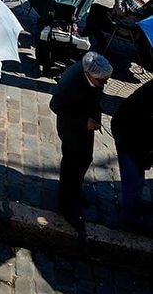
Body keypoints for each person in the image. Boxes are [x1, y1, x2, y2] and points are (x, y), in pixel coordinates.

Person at [49, 51, 112, 228]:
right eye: (101, 81)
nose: (104, 84)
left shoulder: (93, 77)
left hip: (86, 126)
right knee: (71, 164)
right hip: (72, 130)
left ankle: (75, 189)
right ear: (88, 74)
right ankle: (66, 205)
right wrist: (85, 122)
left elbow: (94, 95)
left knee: (85, 158)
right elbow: (55, 106)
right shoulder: (69, 83)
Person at [111, 79, 153, 230]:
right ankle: (131, 219)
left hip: (137, 135)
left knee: (138, 176)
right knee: (132, 178)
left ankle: (136, 204)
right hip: (129, 137)